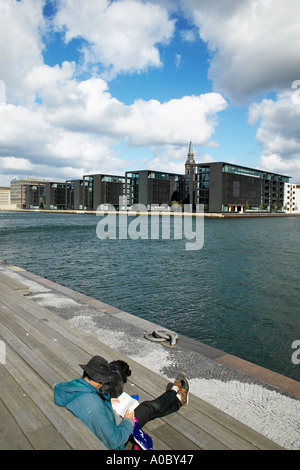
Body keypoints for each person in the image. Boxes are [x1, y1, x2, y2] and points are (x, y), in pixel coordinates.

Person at [54, 355, 189, 450]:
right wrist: (128, 421)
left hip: (84, 428)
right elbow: (114, 441)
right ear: (99, 381)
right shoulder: (93, 406)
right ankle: (177, 397)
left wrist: (103, 399)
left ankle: (174, 397)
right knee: (147, 408)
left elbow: (88, 405)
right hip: (108, 440)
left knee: (139, 407)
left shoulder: (66, 386)